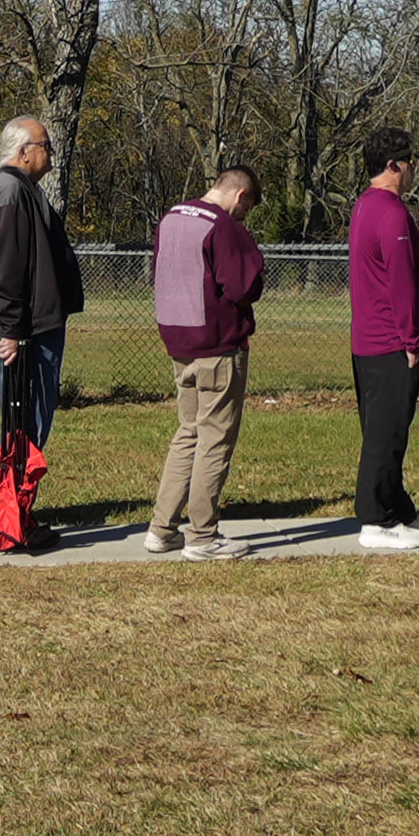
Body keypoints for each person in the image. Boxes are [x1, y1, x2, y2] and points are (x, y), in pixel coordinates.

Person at [143, 154, 268, 556]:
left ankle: (162, 528)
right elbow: (243, 287)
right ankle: (202, 536)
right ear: (240, 194)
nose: (243, 215)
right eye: (245, 208)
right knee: (215, 440)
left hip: (179, 343)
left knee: (187, 434)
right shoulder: (223, 226)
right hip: (218, 347)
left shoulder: (171, 218)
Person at [0, 114, 84, 556]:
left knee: (32, 424)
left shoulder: (23, 190)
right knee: (25, 427)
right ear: (23, 151)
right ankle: (9, 519)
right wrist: (13, 330)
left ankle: (19, 514)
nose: (50, 153)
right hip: (29, 333)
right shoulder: (9, 193)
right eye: (45, 145)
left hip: (39, 327)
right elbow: (6, 270)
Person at [340, 127, 419, 549]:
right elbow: (400, 280)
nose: (412, 169)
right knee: (386, 434)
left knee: (388, 430)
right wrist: (410, 338)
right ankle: (375, 521)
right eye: (409, 161)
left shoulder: (365, 205)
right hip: (389, 342)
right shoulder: (391, 211)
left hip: (369, 338)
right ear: (393, 165)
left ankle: (400, 511)